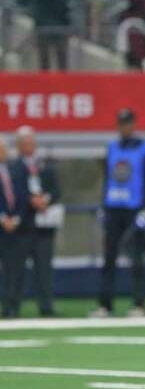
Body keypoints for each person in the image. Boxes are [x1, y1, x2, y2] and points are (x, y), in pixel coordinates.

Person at [91, 109, 145, 318]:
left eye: (128, 123)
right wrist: (103, 205)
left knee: (136, 258)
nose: (125, 127)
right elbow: (108, 179)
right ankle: (105, 305)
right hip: (113, 208)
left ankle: (139, 304)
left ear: (133, 124)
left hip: (134, 208)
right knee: (108, 258)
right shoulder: (111, 147)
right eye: (121, 123)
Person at [16, 126, 61, 317]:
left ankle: (46, 306)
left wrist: (45, 200)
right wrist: (29, 199)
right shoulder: (12, 166)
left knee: (44, 268)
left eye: (31, 141)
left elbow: (56, 190)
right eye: (24, 142)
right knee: (15, 269)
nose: (29, 145)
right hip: (21, 226)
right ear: (18, 145)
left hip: (44, 225)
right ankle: (12, 307)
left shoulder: (45, 165)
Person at [0, 137, 28, 318]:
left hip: (16, 227)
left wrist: (16, 219)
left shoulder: (17, 168)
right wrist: (2, 218)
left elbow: (23, 195)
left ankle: (12, 307)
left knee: (15, 269)